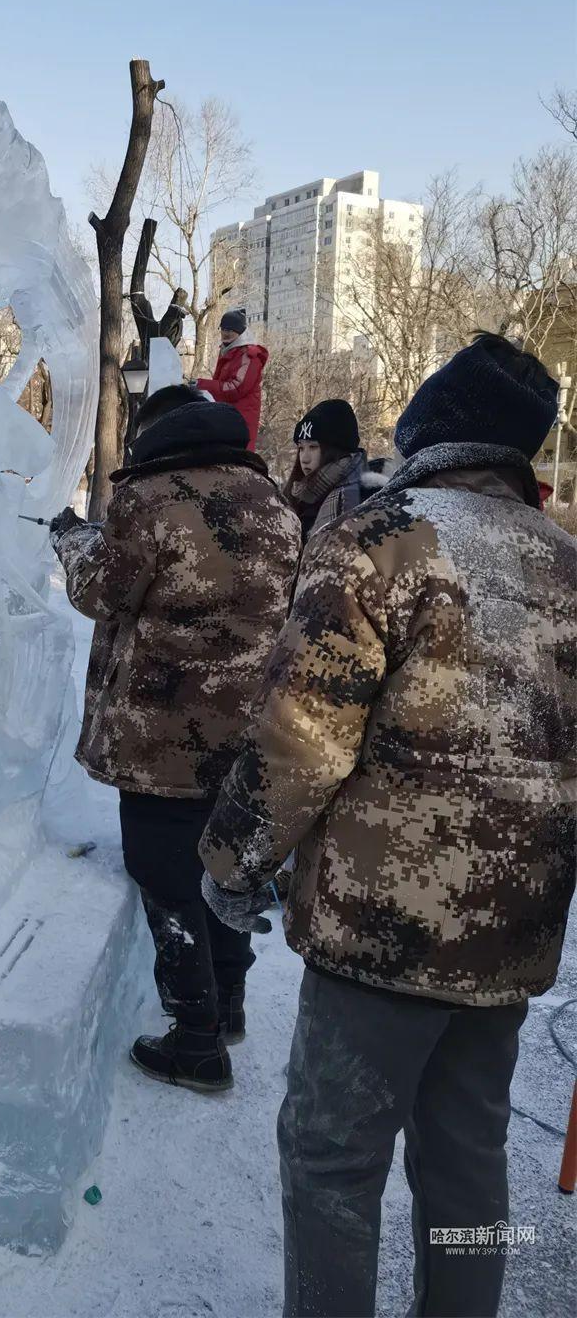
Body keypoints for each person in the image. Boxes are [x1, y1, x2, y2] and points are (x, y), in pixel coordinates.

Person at [199, 332, 576, 1316]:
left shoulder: (382, 542)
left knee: (334, 1158)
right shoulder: (567, 566)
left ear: (429, 435)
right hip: (510, 934)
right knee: (467, 1163)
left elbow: (299, 736)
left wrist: (232, 859)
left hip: (380, 932)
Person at [50, 385, 300, 1092]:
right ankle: (229, 1007)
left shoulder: (149, 499)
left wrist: (72, 539)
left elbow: (101, 593)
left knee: (165, 876)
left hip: (165, 733)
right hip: (247, 730)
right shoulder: (272, 502)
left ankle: (195, 1039)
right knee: (222, 867)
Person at [283, 398, 381, 542]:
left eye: (313, 447)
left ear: (335, 450)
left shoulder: (364, 497)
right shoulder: (300, 495)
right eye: (301, 448)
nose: (304, 458)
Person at [195, 307, 269, 451]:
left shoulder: (249, 355)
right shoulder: (228, 352)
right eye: (223, 328)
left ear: (240, 331)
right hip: (229, 419)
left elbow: (235, 388)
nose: (226, 333)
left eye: (231, 329)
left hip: (240, 422)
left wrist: (202, 385)